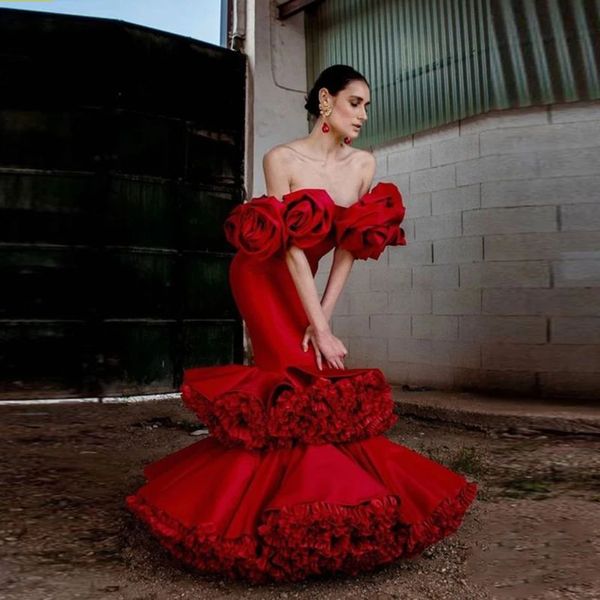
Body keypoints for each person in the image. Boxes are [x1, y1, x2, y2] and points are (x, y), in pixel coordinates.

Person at [125, 64, 478, 584]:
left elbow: (349, 251)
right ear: (325, 101)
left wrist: (324, 322)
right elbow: (289, 249)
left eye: (367, 107)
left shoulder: (363, 166)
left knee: (315, 376)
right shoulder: (281, 159)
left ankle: (335, 505)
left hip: (308, 285)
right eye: (355, 102)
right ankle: (261, 522)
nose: (363, 115)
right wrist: (317, 325)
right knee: (293, 382)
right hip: (261, 276)